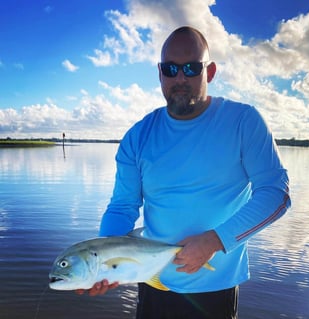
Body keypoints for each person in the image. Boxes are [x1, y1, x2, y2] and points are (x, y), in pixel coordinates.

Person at [76, 26, 291, 318]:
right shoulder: (137, 136)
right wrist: (102, 260)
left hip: (215, 290)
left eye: (191, 68)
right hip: (153, 282)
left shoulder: (243, 122)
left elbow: (275, 194)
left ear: (210, 71)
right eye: (170, 68)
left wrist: (215, 240)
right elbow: (123, 207)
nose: (180, 78)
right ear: (159, 72)